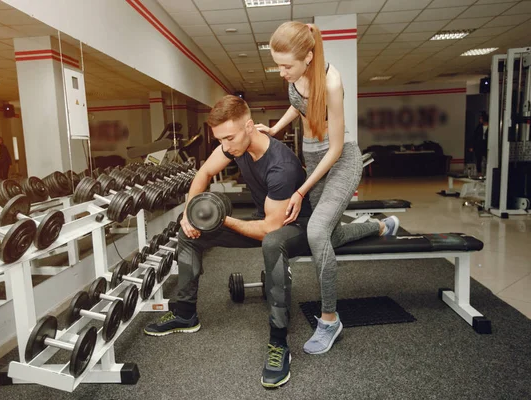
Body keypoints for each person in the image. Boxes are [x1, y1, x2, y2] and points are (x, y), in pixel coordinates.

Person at [144, 95, 312, 388]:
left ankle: (279, 343)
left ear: (250, 127)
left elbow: (270, 229)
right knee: (189, 233)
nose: (225, 146)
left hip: (296, 228)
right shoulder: (235, 146)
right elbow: (204, 173)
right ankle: (185, 313)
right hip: (264, 220)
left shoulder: (281, 165)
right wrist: (189, 214)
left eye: (229, 138)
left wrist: (222, 219)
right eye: (220, 140)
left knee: (273, 243)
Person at [254, 21, 399, 356]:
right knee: (327, 237)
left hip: (340, 161)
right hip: (313, 157)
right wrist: (275, 128)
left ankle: (330, 320)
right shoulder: (297, 75)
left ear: (308, 57)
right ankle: (379, 225)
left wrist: (301, 190)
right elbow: (299, 103)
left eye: (286, 65)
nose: (281, 72)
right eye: (278, 65)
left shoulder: (332, 82)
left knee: (317, 231)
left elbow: (334, 150)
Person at [471, 111, 489, 177]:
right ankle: (479, 172)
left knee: (487, 158)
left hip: (486, 144)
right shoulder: (479, 127)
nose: (480, 120)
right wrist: (472, 146)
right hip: (479, 144)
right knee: (478, 159)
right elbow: (474, 136)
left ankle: (487, 172)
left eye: (481, 119)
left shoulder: (490, 126)